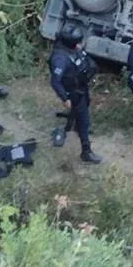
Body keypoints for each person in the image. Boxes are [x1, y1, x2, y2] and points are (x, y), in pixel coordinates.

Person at [48, 24, 102, 164]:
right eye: (77, 42)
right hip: (73, 92)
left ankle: (75, 125)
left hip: (81, 86)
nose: (79, 44)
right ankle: (86, 152)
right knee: (84, 119)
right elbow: (55, 81)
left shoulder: (72, 48)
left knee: (86, 104)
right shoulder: (60, 58)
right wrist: (65, 98)